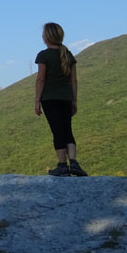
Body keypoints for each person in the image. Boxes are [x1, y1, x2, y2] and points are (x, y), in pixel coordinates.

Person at [34, 22, 88, 177]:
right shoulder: (67, 54)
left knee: (57, 131)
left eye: (43, 33)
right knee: (67, 130)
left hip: (49, 99)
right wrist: (74, 100)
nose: (42, 36)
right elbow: (74, 81)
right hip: (66, 98)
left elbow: (41, 79)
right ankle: (74, 163)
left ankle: (62, 165)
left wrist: (37, 101)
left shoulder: (44, 55)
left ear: (47, 36)